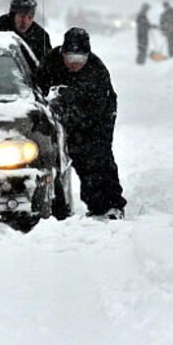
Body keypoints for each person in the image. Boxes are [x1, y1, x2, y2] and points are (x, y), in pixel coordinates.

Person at [36, 27, 127, 220]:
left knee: (98, 157)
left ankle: (112, 204)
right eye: (71, 59)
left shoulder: (96, 70)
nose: (75, 65)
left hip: (99, 117)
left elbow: (97, 109)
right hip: (66, 116)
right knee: (77, 158)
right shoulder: (51, 63)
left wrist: (73, 99)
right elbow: (38, 88)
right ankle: (94, 203)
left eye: (80, 60)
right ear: (63, 54)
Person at [0, 0, 52, 64]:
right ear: (13, 15)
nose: (25, 21)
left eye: (30, 17)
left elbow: (48, 67)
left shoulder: (40, 36)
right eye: (22, 16)